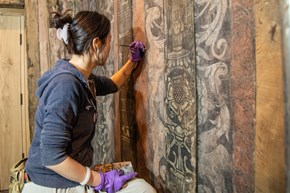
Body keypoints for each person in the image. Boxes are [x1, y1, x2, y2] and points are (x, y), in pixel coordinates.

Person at [22, 10, 156, 193]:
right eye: (109, 40)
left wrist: (133, 61)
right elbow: (51, 156)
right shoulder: (66, 85)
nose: (110, 46)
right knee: (143, 190)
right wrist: (98, 179)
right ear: (96, 44)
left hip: (63, 179)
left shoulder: (84, 79)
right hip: (50, 184)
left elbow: (112, 84)